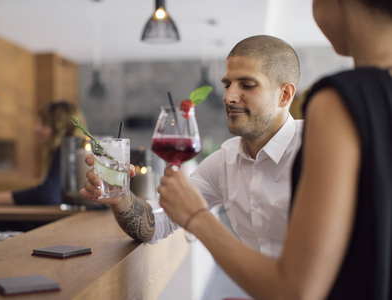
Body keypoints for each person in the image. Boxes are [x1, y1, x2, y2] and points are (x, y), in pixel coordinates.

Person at [157, 0, 392, 299]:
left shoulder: (342, 99)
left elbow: (296, 291)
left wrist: (196, 218)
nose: (230, 97)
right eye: (228, 84)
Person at [80, 34, 303, 259]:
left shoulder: (315, 149)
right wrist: (120, 198)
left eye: (247, 85)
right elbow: (155, 224)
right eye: (227, 85)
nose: (228, 97)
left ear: (284, 95)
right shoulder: (224, 161)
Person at [0, 101, 84, 205]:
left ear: (60, 129)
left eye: (44, 124)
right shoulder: (72, 152)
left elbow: (47, 194)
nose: (36, 128)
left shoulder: (64, 151)